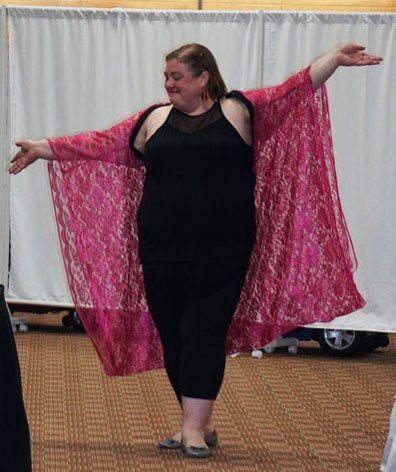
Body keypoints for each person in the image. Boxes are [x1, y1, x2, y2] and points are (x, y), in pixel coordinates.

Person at [9, 43, 381, 458]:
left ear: (203, 77)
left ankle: (191, 430)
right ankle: (198, 421)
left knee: (203, 333)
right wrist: (44, 148)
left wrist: (332, 60)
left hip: (222, 252)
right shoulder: (154, 120)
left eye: (176, 77)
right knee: (175, 341)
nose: (168, 84)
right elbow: (103, 143)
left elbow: (290, 91)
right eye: (166, 77)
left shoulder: (238, 111)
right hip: (161, 251)